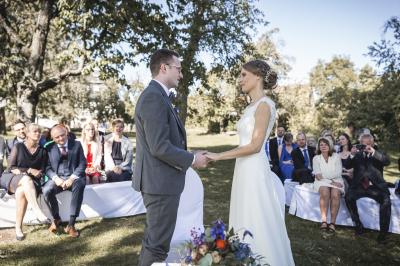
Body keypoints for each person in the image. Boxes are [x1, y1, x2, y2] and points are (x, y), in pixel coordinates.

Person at [206, 60, 294, 265]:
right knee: (243, 215)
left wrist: (218, 156)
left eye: (244, 75)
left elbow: (255, 146)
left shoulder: (264, 105)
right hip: (243, 168)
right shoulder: (251, 106)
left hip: (254, 168)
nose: (240, 79)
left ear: (258, 77)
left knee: (257, 217)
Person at [133, 48, 208, 266]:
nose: (181, 74)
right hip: (159, 184)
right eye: (179, 68)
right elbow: (159, 147)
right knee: (157, 246)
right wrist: (193, 160)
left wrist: (190, 155)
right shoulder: (153, 98)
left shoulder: (158, 96)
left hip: (161, 181)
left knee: (155, 241)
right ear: (164, 68)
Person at [0, 123, 50, 240]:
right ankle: (37, 211)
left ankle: (18, 228)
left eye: (39, 131)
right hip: (12, 178)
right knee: (26, 179)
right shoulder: (19, 147)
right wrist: (29, 170)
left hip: (31, 182)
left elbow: (42, 170)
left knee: (21, 191)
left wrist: (34, 172)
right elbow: (11, 167)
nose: (38, 134)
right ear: (27, 134)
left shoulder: (42, 151)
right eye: (35, 131)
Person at [345, 133, 391, 242]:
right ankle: (358, 225)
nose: (366, 146)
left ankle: (383, 234)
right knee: (348, 197)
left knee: (386, 201)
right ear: (360, 144)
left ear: (373, 143)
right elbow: (347, 165)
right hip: (359, 186)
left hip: (376, 187)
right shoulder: (357, 154)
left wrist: (374, 152)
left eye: (369, 144)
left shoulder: (379, 153)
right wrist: (351, 154)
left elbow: (387, 161)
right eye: (363, 144)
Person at [42, 125, 86, 238]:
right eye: (57, 137)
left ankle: (71, 224)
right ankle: (56, 218)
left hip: (73, 177)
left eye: (62, 135)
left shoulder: (76, 144)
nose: (61, 139)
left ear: (66, 133)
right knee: (47, 190)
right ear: (52, 138)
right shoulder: (49, 147)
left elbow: (82, 164)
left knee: (80, 185)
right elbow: (46, 167)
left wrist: (72, 178)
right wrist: (56, 179)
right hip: (58, 178)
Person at [312, 137, 344, 232]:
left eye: (325, 144)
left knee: (335, 194)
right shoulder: (316, 158)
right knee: (325, 192)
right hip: (322, 182)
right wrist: (331, 181)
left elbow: (338, 173)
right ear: (318, 147)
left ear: (330, 145)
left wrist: (325, 177)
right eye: (321, 145)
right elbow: (318, 176)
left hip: (337, 180)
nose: (323, 146)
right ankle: (324, 221)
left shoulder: (336, 156)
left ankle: (333, 223)